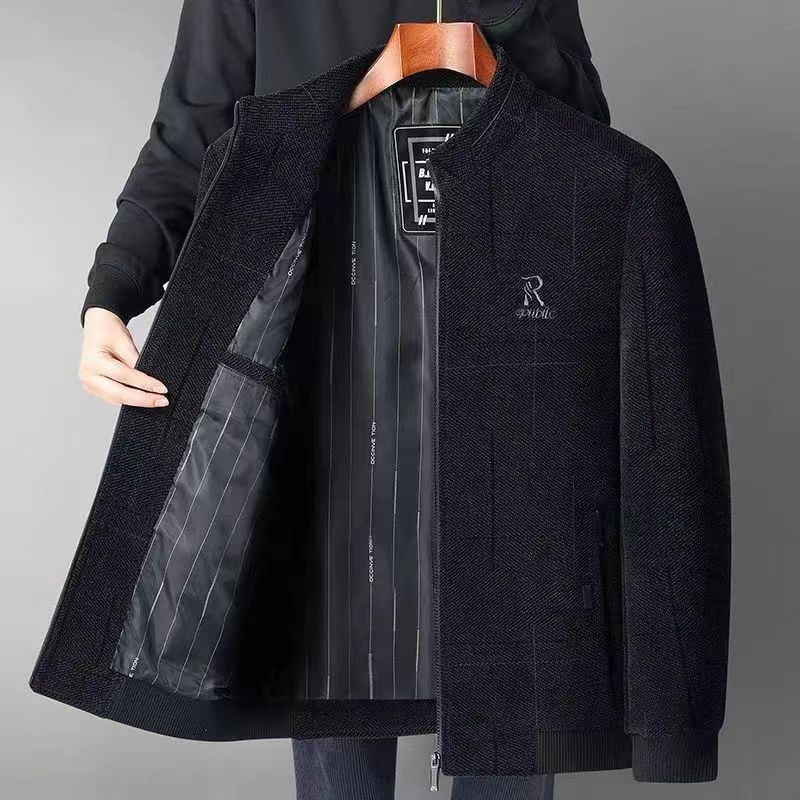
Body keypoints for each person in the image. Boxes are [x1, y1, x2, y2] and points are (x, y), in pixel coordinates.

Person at [76, 3, 608, 798]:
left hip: (504, 345)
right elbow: (191, 132)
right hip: (323, 349)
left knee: (515, 669)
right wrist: (112, 294)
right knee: (339, 664)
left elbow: (584, 135)